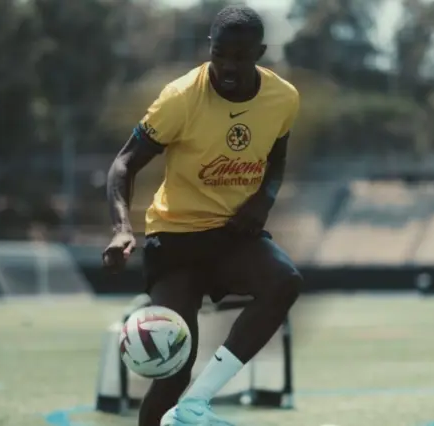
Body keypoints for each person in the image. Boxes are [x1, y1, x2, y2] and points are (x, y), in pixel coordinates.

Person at [102, 5, 301, 426]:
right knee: (175, 366)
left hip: (233, 235)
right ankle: (179, 401)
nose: (228, 66)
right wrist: (122, 230)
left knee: (284, 281)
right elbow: (123, 164)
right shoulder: (179, 99)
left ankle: (197, 404)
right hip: (175, 239)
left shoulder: (283, 98)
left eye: (240, 56)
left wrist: (263, 199)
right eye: (220, 54)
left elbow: (277, 158)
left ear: (260, 52)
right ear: (209, 48)